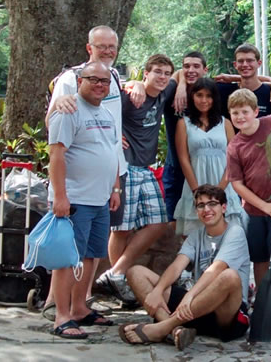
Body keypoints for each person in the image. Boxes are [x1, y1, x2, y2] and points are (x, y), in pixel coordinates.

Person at [119, 185, 251, 349]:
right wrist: (157, 291)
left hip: (227, 315)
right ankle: (176, 330)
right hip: (196, 309)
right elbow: (176, 266)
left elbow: (216, 269)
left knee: (229, 276)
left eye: (212, 204)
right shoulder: (196, 236)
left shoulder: (235, 232)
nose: (206, 209)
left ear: (223, 208)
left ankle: (163, 328)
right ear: (197, 211)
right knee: (135, 272)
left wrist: (190, 295)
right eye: (201, 205)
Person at [46, 61, 123, 339]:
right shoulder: (68, 111)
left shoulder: (106, 113)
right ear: (80, 82)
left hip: (100, 199)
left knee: (91, 256)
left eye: (105, 81)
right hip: (75, 199)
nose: (100, 85)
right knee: (69, 259)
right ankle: (61, 316)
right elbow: (56, 155)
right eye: (94, 80)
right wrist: (60, 196)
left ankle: (79, 308)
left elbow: (111, 151)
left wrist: (115, 188)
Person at [95, 54, 178, 304]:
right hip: (125, 166)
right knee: (122, 228)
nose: (163, 77)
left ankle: (116, 272)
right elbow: (99, 110)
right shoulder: (129, 96)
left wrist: (179, 85)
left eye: (166, 73)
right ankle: (118, 281)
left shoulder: (165, 92)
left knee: (158, 222)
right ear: (146, 73)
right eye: (157, 72)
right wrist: (112, 133)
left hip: (145, 168)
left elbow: (182, 75)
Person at [225, 88, 271, 334]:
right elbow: (237, 184)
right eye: (235, 113)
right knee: (260, 259)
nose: (240, 117)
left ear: (256, 111)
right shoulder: (235, 146)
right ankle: (264, 306)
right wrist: (263, 205)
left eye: (245, 112)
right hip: (255, 210)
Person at [172, 77, 244, 237]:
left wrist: (220, 189)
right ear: (192, 97)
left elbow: (234, 158)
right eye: (199, 95)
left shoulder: (225, 123)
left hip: (224, 183)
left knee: (228, 235)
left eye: (208, 96)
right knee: (195, 236)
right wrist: (197, 191)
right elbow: (183, 159)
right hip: (195, 182)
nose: (204, 100)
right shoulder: (183, 124)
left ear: (214, 98)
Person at [174, 44, 271, 124]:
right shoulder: (222, 90)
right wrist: (181, 85)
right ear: (235, 64)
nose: (245, 64)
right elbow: (192, 77)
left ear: (259, 63)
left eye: (249, 60)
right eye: (241, 61)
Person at [162, 52, 209, 222]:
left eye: (196, 66)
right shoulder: (171, 93)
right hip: (175, 169)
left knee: (203, 220)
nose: (191, 70)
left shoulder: (210, 95)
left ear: (205, 70)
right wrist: (181, 84)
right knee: (174, 223)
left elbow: (247, 79)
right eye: (186, 66)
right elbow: (149, 87)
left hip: (202, 169)